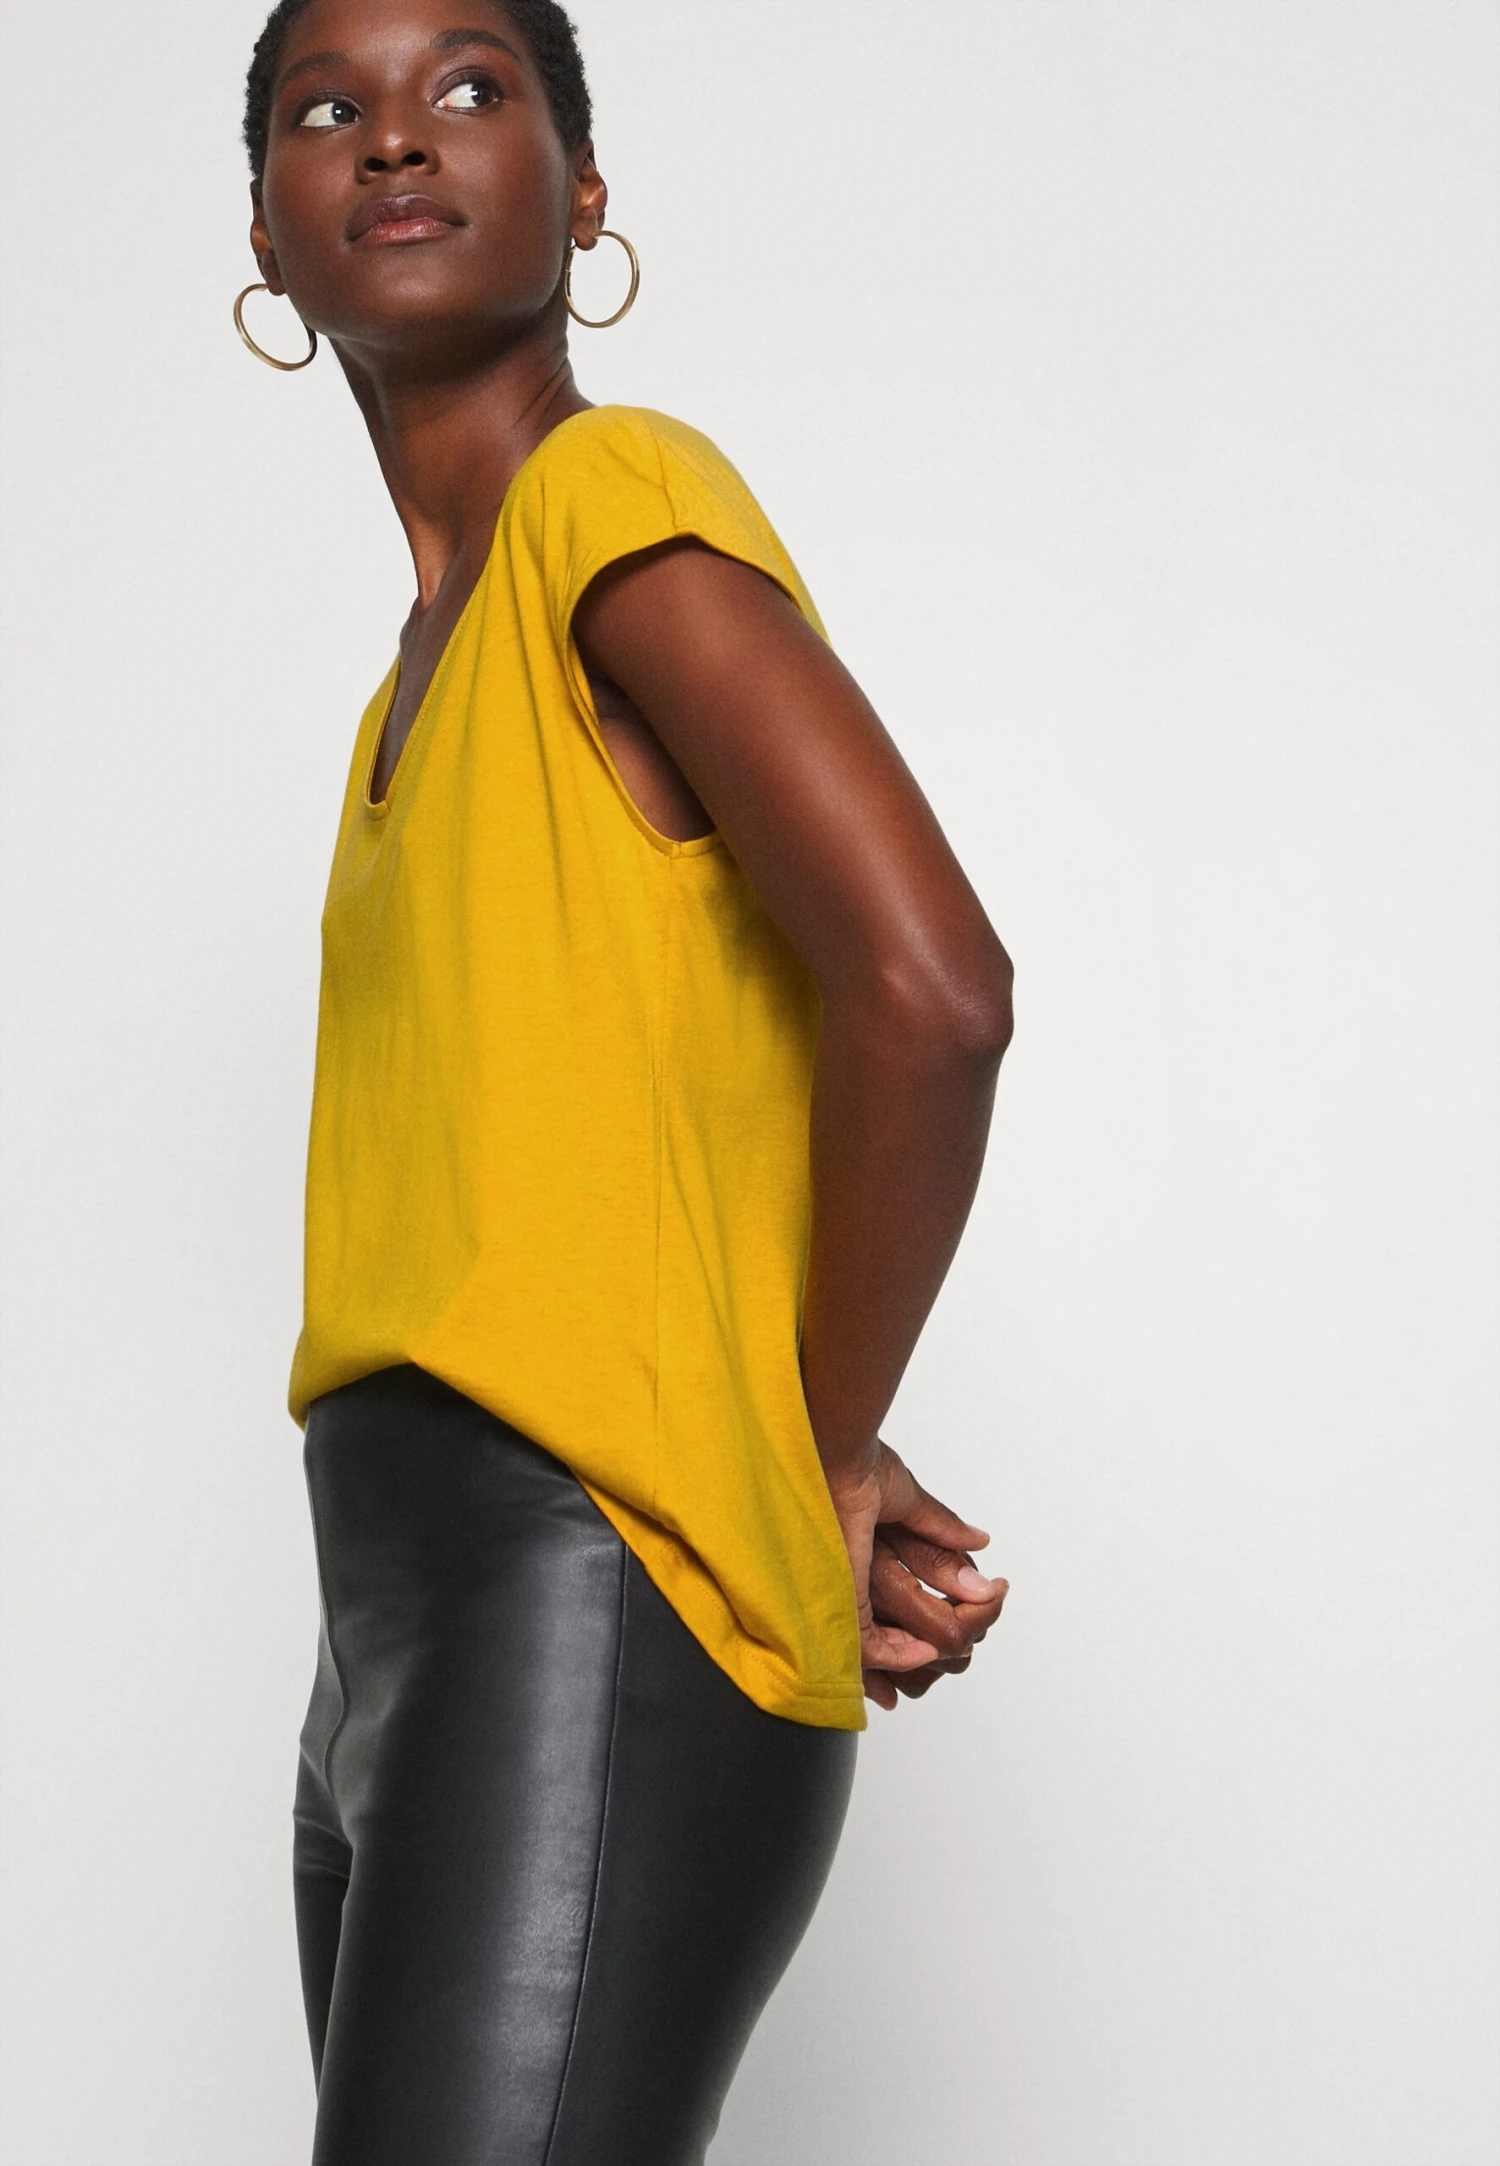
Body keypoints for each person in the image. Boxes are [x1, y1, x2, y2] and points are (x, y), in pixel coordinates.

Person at [238, 1, 1016, 2157]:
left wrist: (810, 1447)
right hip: (384, 1631)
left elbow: (932, 988)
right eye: (328, 109)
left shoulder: (614, 497)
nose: (397, 138)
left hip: (581, 1604)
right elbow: (605, 1170)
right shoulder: (412, 683)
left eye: (471, 89)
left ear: (585, 200)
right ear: (268, 245)